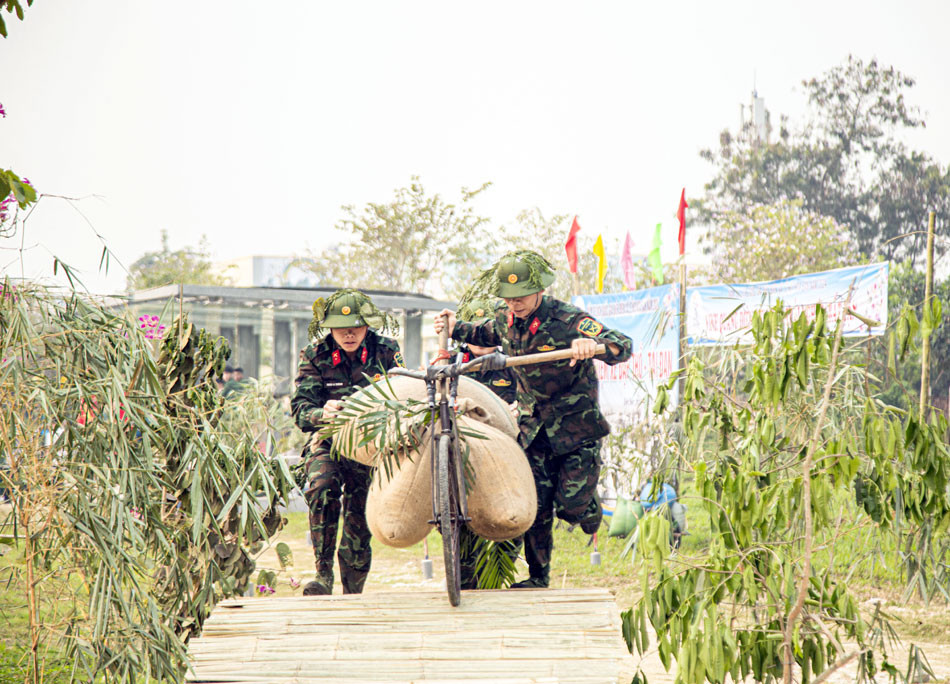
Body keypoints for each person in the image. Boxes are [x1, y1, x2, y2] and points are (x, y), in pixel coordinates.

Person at [434, 250, 633, 588]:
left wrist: (592, 344)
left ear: (539, 289)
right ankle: (538, 577)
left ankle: (586, 507)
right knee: (537, 505)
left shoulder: (567, 318)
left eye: (521, 297)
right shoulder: (505, 320)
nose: (515, 304)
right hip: (533, 428)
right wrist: (454, 328)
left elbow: (621, 345)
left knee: (571, 505)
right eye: (508, 298)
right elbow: (481, 334)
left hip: (575, 428)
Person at [291, 290, 403, 595]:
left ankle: (353, 593)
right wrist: (321, 412)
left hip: (371, 446)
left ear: (368, 325)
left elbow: (405, 393)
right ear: (330, 329)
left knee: (360, 515)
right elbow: (301, 411)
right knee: (322, 487)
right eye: (341, 328)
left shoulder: (387, 351)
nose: (349, 334)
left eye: (355, 327)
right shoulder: (316, 354)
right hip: (330, 440)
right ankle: (322, 573)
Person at [453, 295, 521, 590]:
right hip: (464, 454)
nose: (482, 343)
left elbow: (529, 398)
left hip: (506, 452)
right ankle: (466, 580)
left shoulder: (513, 363)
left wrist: (519, 408)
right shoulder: (451, 364)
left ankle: (500, 571)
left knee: (512, 512)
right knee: (463, 515)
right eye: (475, 335)